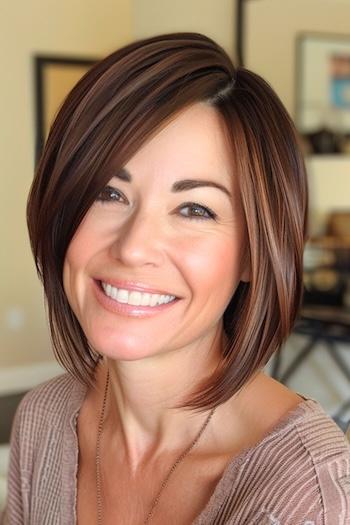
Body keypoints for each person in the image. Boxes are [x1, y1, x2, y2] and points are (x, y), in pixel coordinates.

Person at [2, 32, 350, 525]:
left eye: (194, 209)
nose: (133, 247)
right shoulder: (45, 419)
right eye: (108, 192)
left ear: (254, 254)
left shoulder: (307, 498)